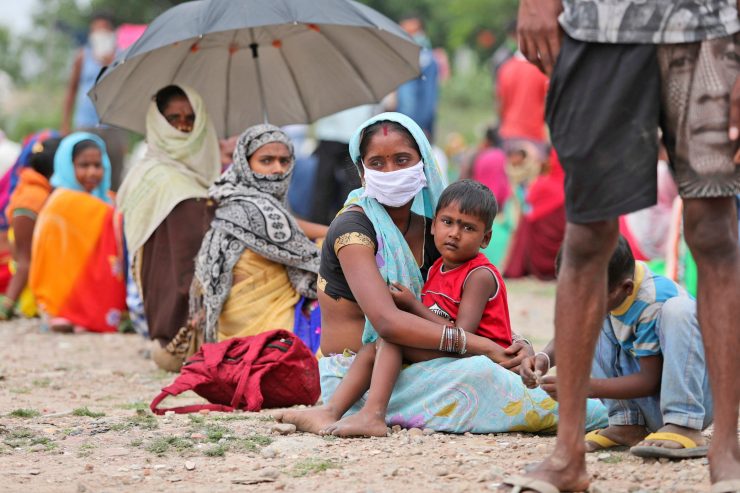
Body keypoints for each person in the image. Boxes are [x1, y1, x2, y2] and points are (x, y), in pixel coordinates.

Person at [507, 1, 740, 491]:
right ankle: (568, 454)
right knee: (587, 232)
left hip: (708, 26)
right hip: (598, 27)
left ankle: (727, 453)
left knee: (715, 228)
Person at [274, 112, 608, 436]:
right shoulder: (354, 227)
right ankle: (597, 412)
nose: (390, 171)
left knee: (504, 369)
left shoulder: (435, 230)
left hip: (421, 358)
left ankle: (604, 404)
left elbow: (454, 309)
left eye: (402, 160)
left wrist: (510, 342)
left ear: (424, 164)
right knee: (479, 372)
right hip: (359, 378)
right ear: (362, 171)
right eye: (377, 163)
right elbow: (387, 323)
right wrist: (483, 348)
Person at [316, 180, 514, 438]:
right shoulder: (436, 268)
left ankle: (373, 415)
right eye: (447, 222)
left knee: (391, 340)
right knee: (374, 343)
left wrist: (412, 306)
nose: (454, 233)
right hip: (454, 346)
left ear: (486, 238)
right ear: (433, 225)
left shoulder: (478, 276)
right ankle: (331, 410)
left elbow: (463, 334)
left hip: (478, 353)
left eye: (468, 227)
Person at [522, 236, 712, 459]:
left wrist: (582, 387)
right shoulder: (608, 285)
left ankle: (684, 426)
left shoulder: (653, 301)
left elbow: (649, 381)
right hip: (656, 403)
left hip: (696, 398)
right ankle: (626, 425)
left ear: (625, 289)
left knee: (679, 310)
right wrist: (544, 358)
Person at [188, 124, 325, 356]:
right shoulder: (249, 206)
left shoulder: (241, 200)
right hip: (254, 321)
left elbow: (289, 224)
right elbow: (308, 255)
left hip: (256, 316)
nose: (277, 169)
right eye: (266, 160)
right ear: (244, 163)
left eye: (284, 161)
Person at [117, 85, 221, 371]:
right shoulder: (161, 178)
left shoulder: (198, 175)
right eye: (173, 118)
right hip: (180, 325)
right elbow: (181, 262)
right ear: (158, 122)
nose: (184, 126)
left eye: (191, 117)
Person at [29, 132, 126, 333]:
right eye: (83, 165)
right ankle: (65, 311)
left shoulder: (107, 199)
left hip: (92, 282)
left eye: (97, 166)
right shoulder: (61, 201)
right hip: (62, 288)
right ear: (67, 166)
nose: (92, 172)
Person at [61, 12, 127, 191]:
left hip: (113, 124)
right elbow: (71, 90)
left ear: (112, 32)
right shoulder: (83, 56)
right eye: (95, 30)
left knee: (113, 173)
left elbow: (127, 88)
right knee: (83, 170)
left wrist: (111, 66)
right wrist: (65, 124)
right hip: (86, 123)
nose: (98, 34)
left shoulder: (122, 56)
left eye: (103, 30)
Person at [0, 137, 61, 319]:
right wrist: (6, 307)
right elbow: (24, 260)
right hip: (32, 294)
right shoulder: (32, 199)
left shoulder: (36, 190)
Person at [503, 149, 566, 280]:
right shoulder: (570, 186)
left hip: (533, 218)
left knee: (526, 221)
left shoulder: (542, 180)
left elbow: (530, 198)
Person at [308, 105, 375, 225]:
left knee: (348, 186)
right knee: (330, 185)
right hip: (339, 132)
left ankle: (347, 225)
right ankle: (345, 225)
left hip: (349, 132)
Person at [496, 49, 549, 152]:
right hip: (534, 135)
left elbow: (500, 104)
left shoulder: (506, 68)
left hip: (509, 133)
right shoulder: (541, 69)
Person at [396, 16, 439, 139]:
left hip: (412, 127)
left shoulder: (422, 59)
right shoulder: (410, 57)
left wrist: (418, 128)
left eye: (412, 31)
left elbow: (426, 99)